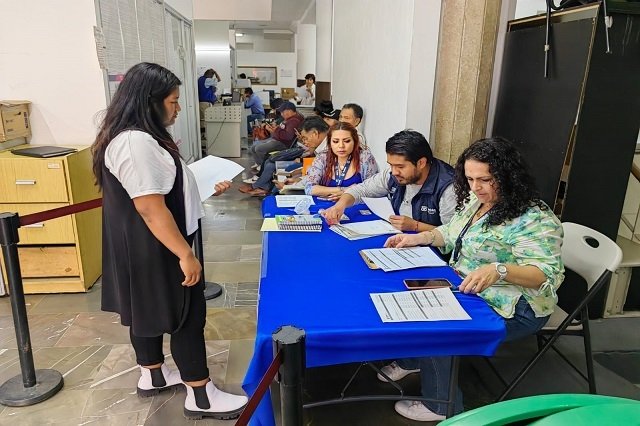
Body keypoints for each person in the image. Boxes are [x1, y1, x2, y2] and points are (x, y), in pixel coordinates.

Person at [91, 63, 247, 420]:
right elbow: (149, 206)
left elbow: (157, 190)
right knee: (186, 316)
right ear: (150, 101)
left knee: (143, 311)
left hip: (139, 244)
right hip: (157, 245)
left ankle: (153, 375)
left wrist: (199, 188)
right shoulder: (136, 142)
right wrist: (185, 254)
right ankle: (201, 395)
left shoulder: (133, 137)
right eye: (173, 101)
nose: (178, 108)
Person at [381, 137, 564, 422]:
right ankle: (416, 358)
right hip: (468, 285)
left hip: (517, 306)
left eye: (485, 179)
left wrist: (499, 270)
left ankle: (442, 405)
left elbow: (546, 275)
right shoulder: (477, 201)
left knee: (438, 325)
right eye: (469, 179)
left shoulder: (533, 218)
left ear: (508, 176)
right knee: (406, 290)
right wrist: (419, 237)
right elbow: (451, 232)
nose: (475, 187)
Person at [321, 130, 456, 231]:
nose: (394, 172)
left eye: (400, 167)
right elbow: (361, 190)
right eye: (391, 165)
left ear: (421, 163)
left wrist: (416, 226)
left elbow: (454, 234)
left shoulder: (448, 188)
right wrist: (340, 206)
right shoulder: (393, 174)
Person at [239, 116, 330, 196]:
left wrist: (290, 186)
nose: (305, 142)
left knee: (277, 187)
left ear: (315, 134)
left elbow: (314, 182)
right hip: (312, 182)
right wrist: (298, 180)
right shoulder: (321, 149)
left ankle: (263, 189)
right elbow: (314, 174)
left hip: (320, 190)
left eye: (305, 138)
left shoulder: (326, 151)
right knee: (269, 160)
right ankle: (264, 188)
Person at [304, 122, 379, 198]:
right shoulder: (322, 158)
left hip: (355, 204)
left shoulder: (365, 158)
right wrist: (344, 190)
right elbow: (309, 188)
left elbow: (372, 189)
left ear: (355, 141)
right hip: (324, 204)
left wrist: (344, 193)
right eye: (335, 141)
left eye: (347, 141)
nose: (341, 146)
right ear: (330, 143)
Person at [249, 101, 303, 166]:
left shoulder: (294, 121)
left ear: (289, 111)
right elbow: (282, 130)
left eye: (283, 112)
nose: (281, 114)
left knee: (259, 149)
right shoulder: (289, 119)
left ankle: (263, 166)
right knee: (253, 147)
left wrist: (276, 129)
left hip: (283, 144)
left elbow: (288, 136)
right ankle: (260, 165)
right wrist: (275, 129)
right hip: (277, 139)